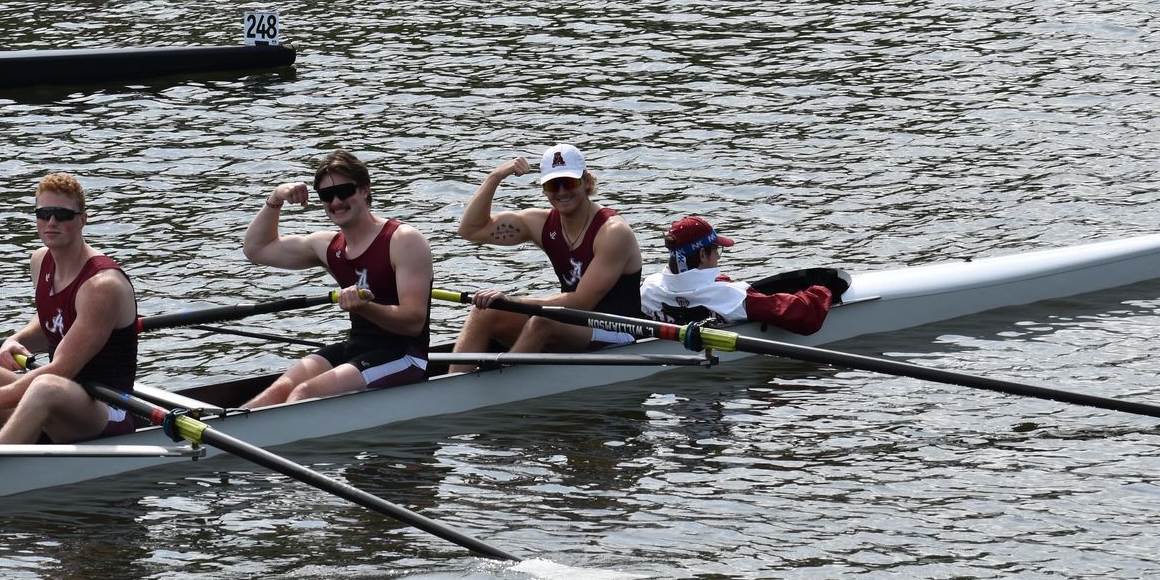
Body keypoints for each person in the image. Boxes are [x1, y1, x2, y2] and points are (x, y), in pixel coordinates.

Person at [0, 173, 140, 452]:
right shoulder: (40, 261)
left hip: (105, 411)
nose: (52, 222)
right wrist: (17, 339)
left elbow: (62, 369)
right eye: (44, 213)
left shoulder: (101, 285)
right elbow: (50, 322)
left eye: (62, 214)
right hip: (57, 403)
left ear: (82, 219)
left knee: (45, 384)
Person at [242, 150, 432, 406]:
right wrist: (276, 197)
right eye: (327, 195)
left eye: (344, 191)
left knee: (303, 394)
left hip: (405, 355)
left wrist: (366, 307)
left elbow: (413, 323)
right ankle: (218, 438)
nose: (336, 202)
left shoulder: (404, 240)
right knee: (278, 392)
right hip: (358, 347)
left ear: (365, 190)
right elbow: (256, 249)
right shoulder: (326, 246)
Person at [448, 143, 642, 371]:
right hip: (572, 325)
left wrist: (511, 302)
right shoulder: (539, 223)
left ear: (587, 181)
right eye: (553, 184)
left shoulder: (613, 232)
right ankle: (453, 388)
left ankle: (503, 391)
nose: (561, 192)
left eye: (568, 182)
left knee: (542, 321)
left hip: (617, 330)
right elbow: (470, 230)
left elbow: (582, 302)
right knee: (484, 312)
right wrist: (495, 176)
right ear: (544, 189)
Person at [640, 216, 839, 335]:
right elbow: (804, 316)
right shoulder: (730, 297)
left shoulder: (648, 290)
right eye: (716, 251)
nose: (718, 257)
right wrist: (824, 289)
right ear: (702, 254)